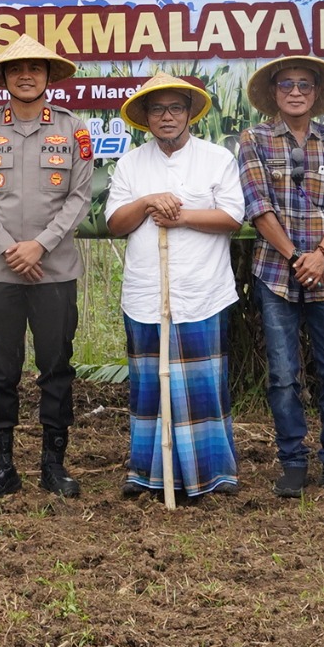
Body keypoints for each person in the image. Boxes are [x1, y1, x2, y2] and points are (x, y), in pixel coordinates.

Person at [0, 34, 96, 498]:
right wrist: (8, 248)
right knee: (1, 369)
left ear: (48, 76)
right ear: (2, 78)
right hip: (0, 272)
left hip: (55, 271)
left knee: (56, 368)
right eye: (16, 70)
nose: (26, 75)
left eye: (35, 68)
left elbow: (80, 197)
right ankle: (1, 467)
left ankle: (53, 465)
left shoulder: (74, 130)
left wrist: (40, 245)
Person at [107, 76, 245, 502]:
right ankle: (147, 473)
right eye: (157, 110)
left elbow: (232, 218)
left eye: (175, 109)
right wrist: (148, 202)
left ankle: (211, 475)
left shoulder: (216, 158)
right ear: (145, 118)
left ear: (189, 113)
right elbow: (115, 223)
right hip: (147, 291)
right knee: (149, 384)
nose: (167, 117)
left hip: (201, 289)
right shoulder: (131, 164)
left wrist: (181, 216)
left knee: (203, 384)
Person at [236, 54, 324, 499]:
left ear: (316, 93)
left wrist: (322, 254)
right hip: (276, 273)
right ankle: (292, 461)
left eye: (304, 85)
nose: (295, 92)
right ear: (273, 93)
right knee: (284, 374)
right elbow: (257, 206)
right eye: (286, 84)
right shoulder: (254, 139)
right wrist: (295, 257)